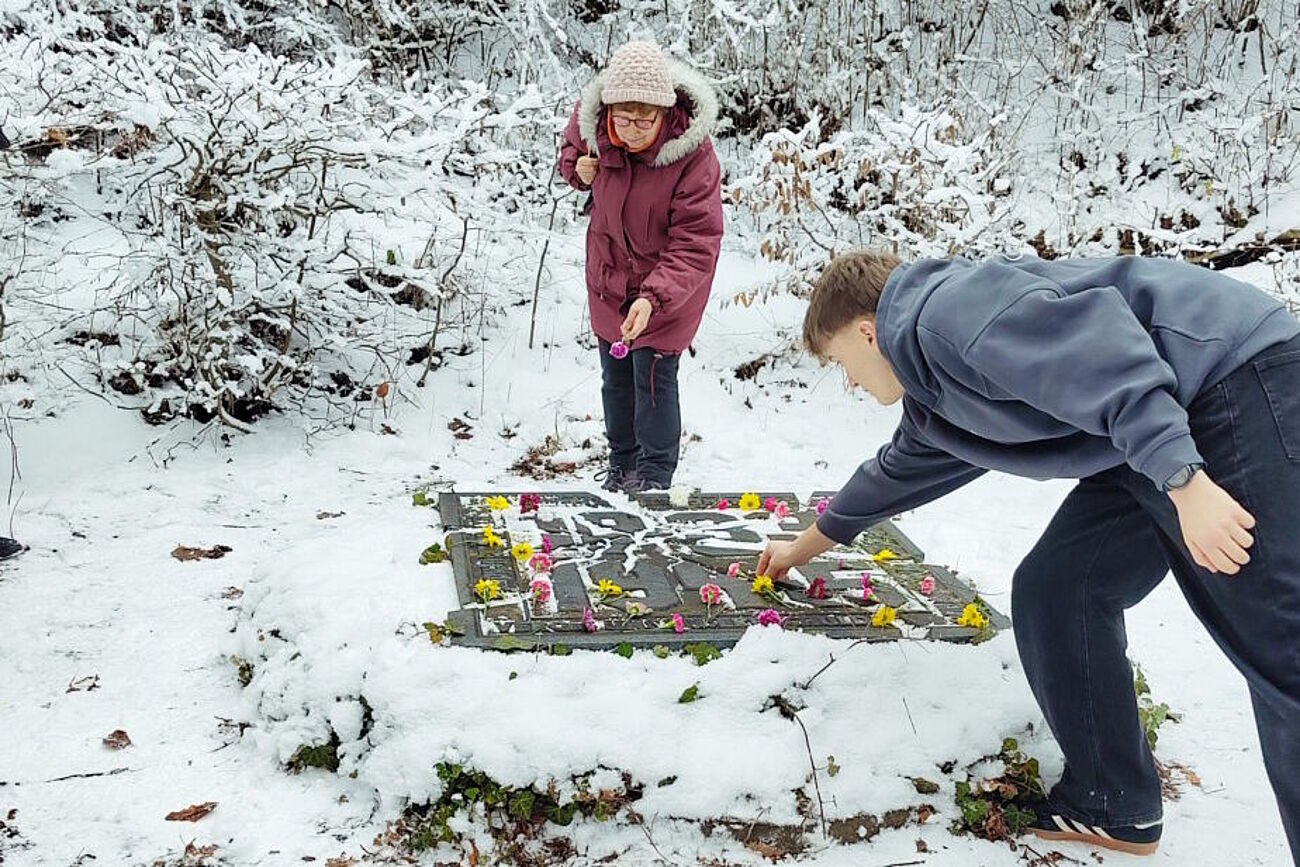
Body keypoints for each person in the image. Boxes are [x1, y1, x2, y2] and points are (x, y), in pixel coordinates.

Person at [757, 250, 1300, 859]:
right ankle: (1112, 803)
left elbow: (1102, 353)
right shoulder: (936, 395)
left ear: (865, 330)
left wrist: (1183, 480)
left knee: (1282, 651)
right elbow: (888, 478)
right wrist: (800, 549)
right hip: (1145, 437)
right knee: (1057, 588)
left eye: (841, 363)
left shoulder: (950, 312)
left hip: (1226, 381)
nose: (850, 382)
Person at [557, 40, 723, 494]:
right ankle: (621, 464)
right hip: (609, 275)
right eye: (622, 118)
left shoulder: (692, 155)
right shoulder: (593, 125)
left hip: (667, 284)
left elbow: (696, 241)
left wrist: (653, 298)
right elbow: (568, 156)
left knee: (651, 377)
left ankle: (653, 476)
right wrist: (577, 168)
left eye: (643, 120)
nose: (630, 130)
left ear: (664, 112)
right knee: (615, 379)